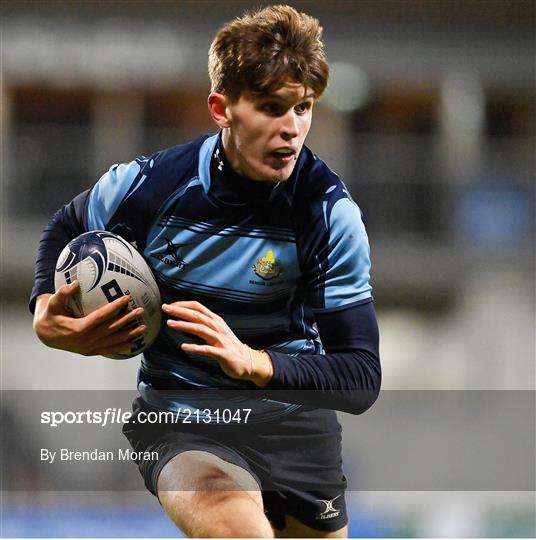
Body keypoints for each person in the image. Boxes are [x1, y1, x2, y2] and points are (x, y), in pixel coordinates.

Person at [31, 5, 381, 538]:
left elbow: (360, 378)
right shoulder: (150, 187)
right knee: (237, 529)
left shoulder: (327, 215)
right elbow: (66, 225)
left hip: (296, 432)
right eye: (271, 107)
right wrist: (45, 312)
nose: (292, 130)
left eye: (303, 108)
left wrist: (257, 364)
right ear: (222, 108)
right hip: (181, 419)